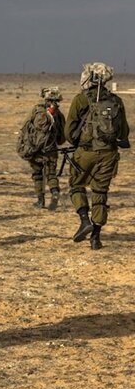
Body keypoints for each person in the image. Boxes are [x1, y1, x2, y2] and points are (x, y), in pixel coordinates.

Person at [66, 62, 130, 250]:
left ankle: (84, 220)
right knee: (100, 193)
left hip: (85, 153)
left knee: (76, 185)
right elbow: (124, 132)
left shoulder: (80, 99)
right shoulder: (116, 101)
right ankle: (96, 237)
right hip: (109, 154)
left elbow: (69, 132)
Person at [16, 87, 66, 210]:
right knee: (51, 175)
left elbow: (25, 127)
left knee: (38, 174)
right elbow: (61, 138)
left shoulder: (36, 110)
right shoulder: (58, 115)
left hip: (35, 150)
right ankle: (54, 193)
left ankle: (40, 200)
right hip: (51, 150)